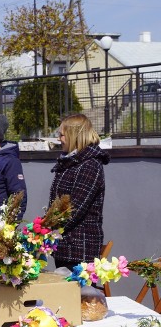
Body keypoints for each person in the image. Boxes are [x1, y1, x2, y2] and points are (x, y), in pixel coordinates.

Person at [49, 114, 110, 270]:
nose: (59, 139)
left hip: (79, 248)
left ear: (73, 135)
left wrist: (46, 228)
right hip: (65, 246)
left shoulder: (90, 165)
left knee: (80, 295)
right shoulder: (70, 163)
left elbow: (75, 209)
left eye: (61, 135)